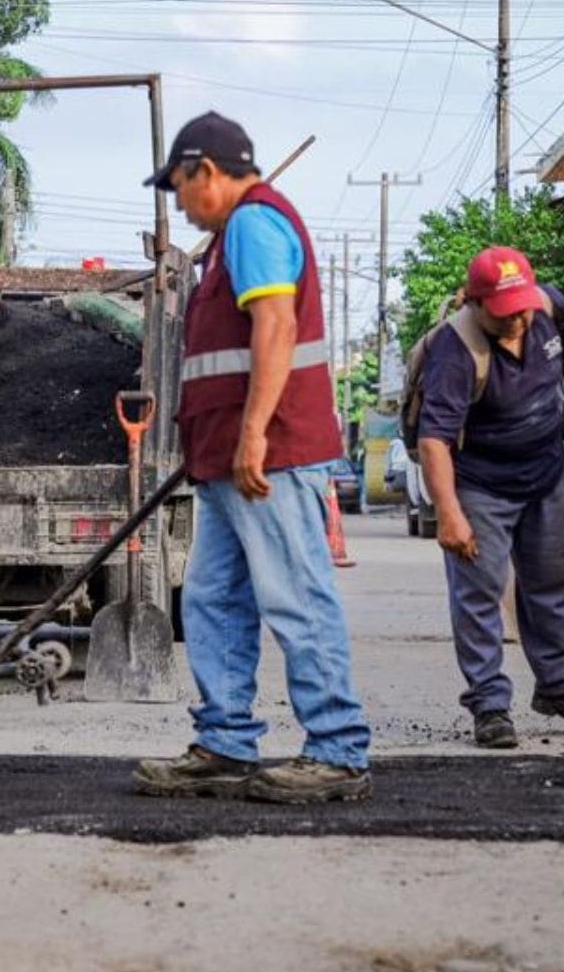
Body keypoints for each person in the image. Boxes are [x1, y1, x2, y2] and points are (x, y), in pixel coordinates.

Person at [132, 112, 373, 803]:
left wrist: (254, 435)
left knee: (296, 597)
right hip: (226, 460)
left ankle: (337, 751)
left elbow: (274, 325)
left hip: (269, 457)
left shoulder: (255, 225)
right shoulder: (229, 238)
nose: (178, 203)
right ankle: (225, 741)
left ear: (205, 171)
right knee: (213, 602)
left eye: (179, 186)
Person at [416, 247, 564, 748]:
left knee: (551, 582)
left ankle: (561, 687)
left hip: (544, 476)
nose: (517, 320)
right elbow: (434, 440)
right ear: (475, 303)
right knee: (479, 594)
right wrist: (450, 515)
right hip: (481, 486)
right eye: (504, 313)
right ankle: (489, 705)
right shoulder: (456, 350)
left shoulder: (548, 308)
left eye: (521, 308)